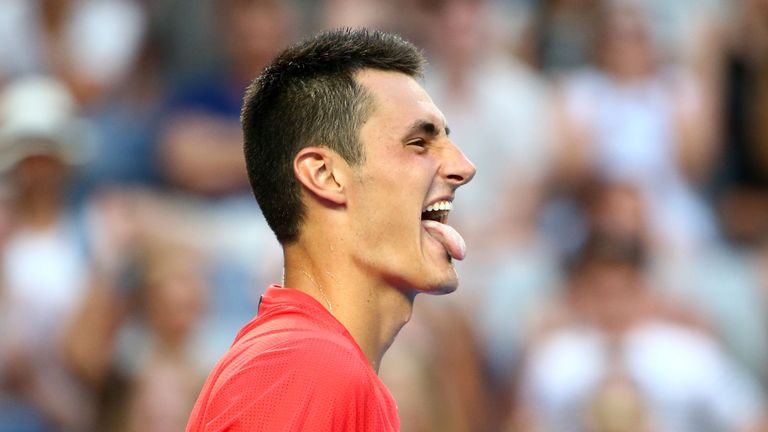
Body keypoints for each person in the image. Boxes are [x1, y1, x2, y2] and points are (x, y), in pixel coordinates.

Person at [186, 28, 476, 432]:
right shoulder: (308, 367)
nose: (463, 166)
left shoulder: (312, 364)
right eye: (418, 143)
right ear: (325, 175)